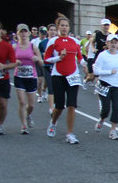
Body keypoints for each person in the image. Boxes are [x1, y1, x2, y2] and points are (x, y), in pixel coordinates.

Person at [43, 15, 82, 143]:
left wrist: (87, 66)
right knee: (59, 106)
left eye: (66, 25)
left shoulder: (75, 42)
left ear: (69, 27)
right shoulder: (53, 41)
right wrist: (59, 57)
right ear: (58, 27)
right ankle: (53, 122)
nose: (64, 28)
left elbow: (80, 58)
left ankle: (70, 133)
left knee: (71, 105)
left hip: (73, 75)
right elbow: (46, 59)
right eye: (62, 26)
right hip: (58, 75)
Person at [92, 33, 118, 140]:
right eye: (111, 42)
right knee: (106, 107)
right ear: (107, 43)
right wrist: (109, 72)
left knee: (116, 108)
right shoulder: (102, 55)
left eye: (115, 42)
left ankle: (113, 130)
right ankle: (102, 119)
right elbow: (96, 71)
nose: (113, 44)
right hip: (105, 84)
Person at [12, 24, 43, 134]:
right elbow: (9, 62)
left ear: (29, 33)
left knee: (31, 104)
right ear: (18, 34)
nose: (23, 34)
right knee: (22, 101)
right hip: (19, 76)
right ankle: (23, 125)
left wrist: (36, 59)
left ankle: (28, 115)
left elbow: (41, 62)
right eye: (21, 32)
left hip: (31, 77)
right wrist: (14, 63)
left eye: (25, 32)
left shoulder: (33, 47)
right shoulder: (14, 47)